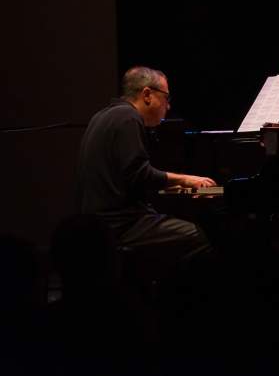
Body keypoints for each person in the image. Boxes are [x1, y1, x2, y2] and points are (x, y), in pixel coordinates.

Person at [75, 66, 217, 280]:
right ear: (147, 94)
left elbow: (126, 177)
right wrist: (186, 179)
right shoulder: (129, 118)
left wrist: (170, 184)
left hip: (97, 222)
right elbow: (139, 174)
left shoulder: (104, 115)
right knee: (197, 237)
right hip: (121, 225)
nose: (168, 107)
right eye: (166, 98)